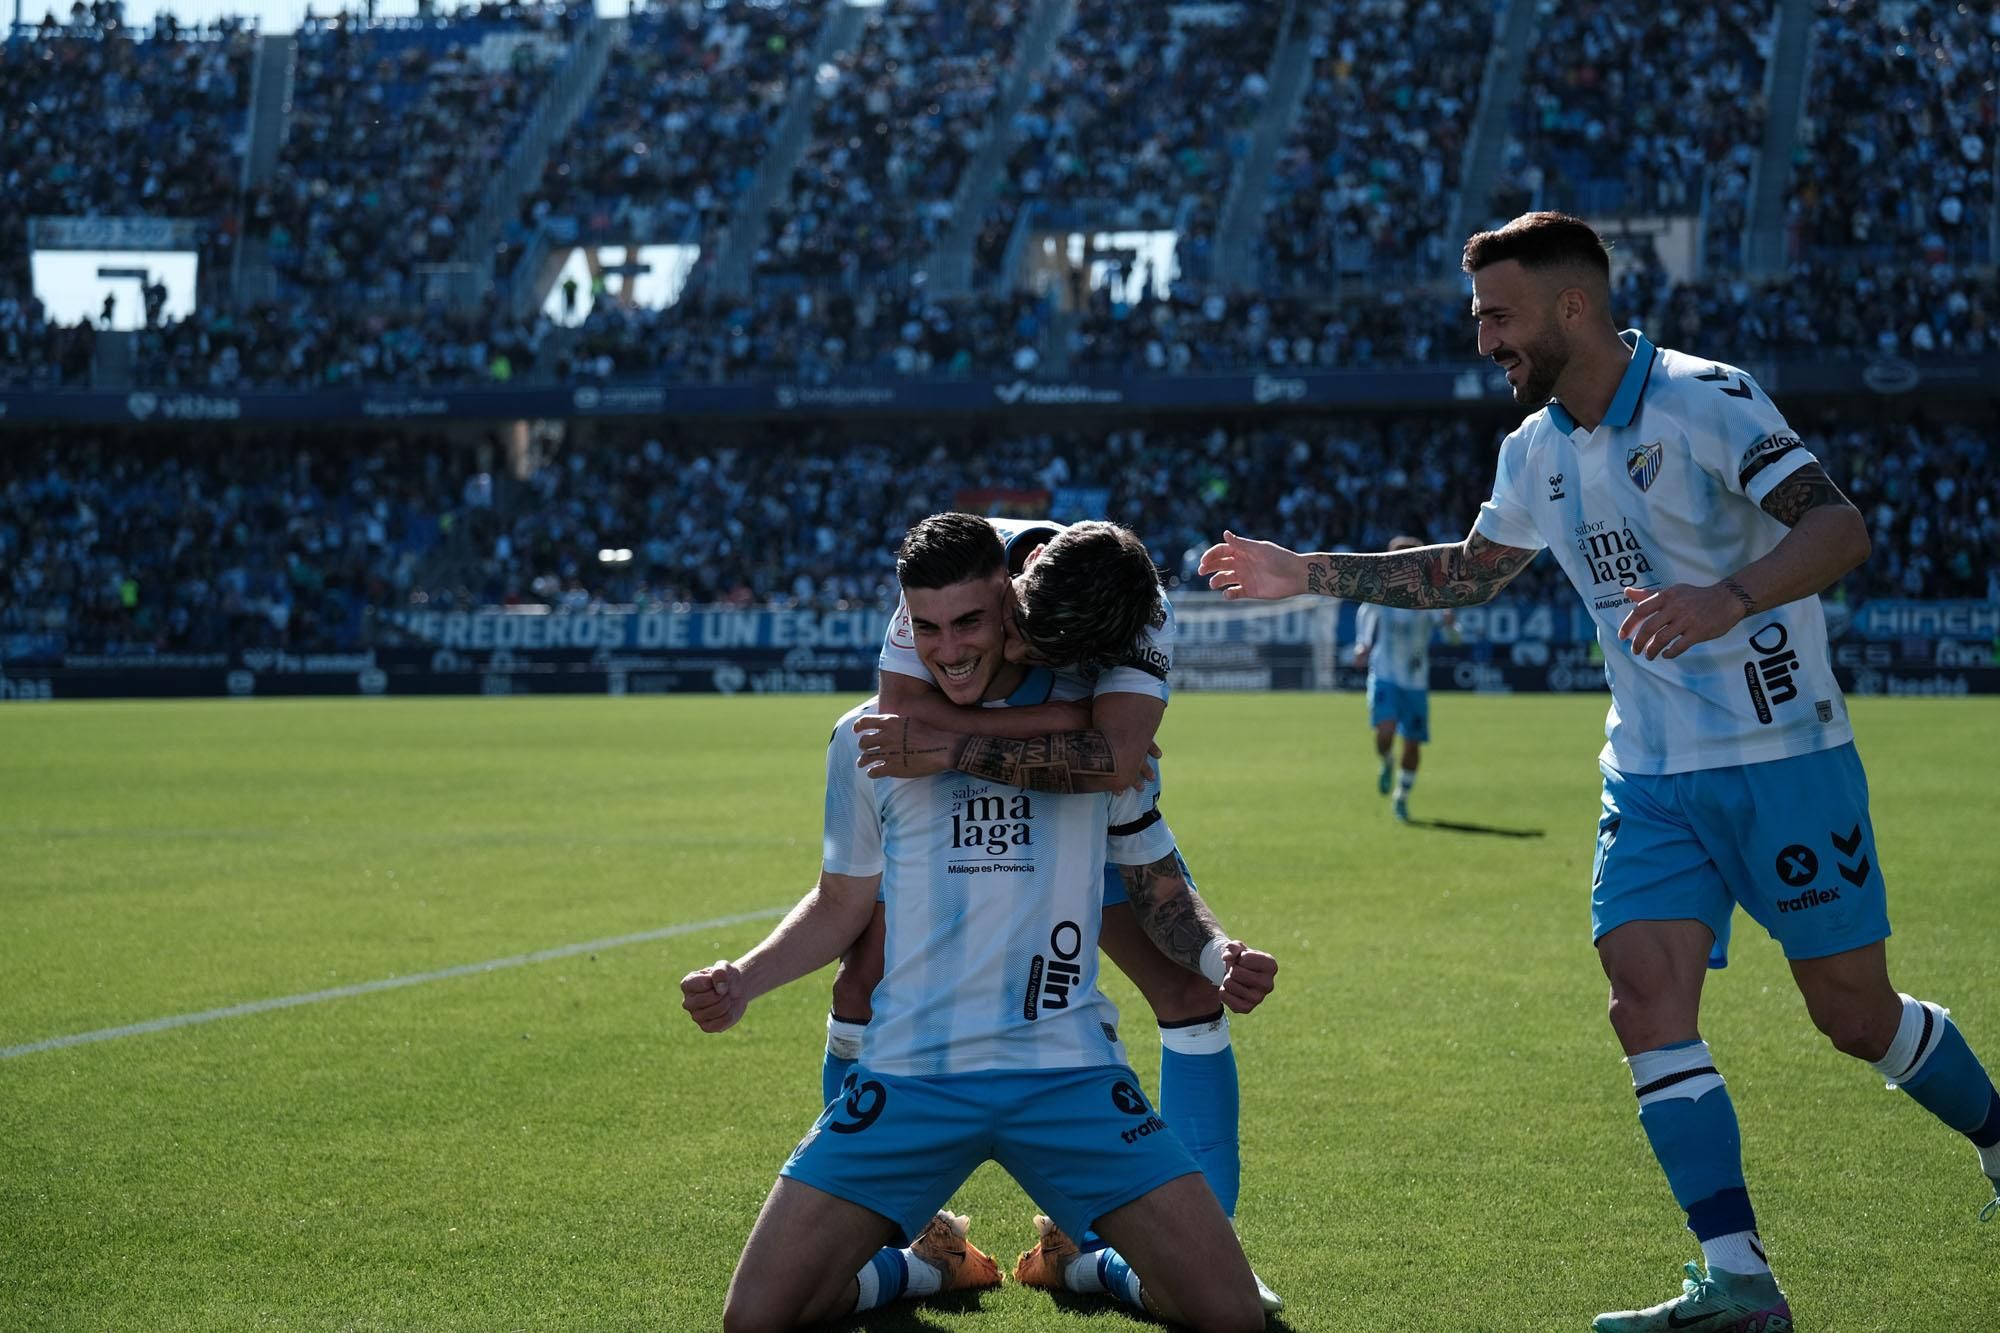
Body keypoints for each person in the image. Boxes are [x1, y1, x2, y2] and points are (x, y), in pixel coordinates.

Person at [1198, 211, 2000, 1332]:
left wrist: (1724, 597)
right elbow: (1471, 573)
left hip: (1783, 759)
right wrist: (1306, 572)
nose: (1483, 338)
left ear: (1572, 306)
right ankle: (1738, 1282)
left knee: (1852, 1016)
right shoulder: (1531, 450)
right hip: (1650, 781)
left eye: (1497, 313)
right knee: (1643, 1002)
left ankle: (1997, 1137)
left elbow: (1837, 528)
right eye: (1478, 315)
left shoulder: (1703, 398)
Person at [682, 513, 1275, 1332]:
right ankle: (921, 1266)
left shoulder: (1098, 735)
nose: (950, 647)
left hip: (1066, 1069)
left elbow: (1151, 870)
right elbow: (840, 904)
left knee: (1233, 1314)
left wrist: (1215, 953)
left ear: (1007, 604)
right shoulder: (867, 740)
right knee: (753, 1319)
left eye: (969, 624)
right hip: (911, 1075)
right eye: (928, 627)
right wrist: (742, 977)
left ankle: (1092, 1262)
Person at [842, 516, 1283, 1310]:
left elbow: (1116, 761)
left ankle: (1191, 1252)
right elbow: (898, 714)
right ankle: (905, 1244)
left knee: (1188, 992)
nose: (1010, 655)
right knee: (860, 976)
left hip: (1089, 804)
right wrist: (1061, 723)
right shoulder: (953, 580)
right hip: (969, 801)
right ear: (1017, 579)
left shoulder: (1141, 612)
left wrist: (953, 740)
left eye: (1044, 659)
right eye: (1014, 631)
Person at [1351, 536, 1455, 821]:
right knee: (1385, 731)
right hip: (1384, 673)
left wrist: (1449, 625)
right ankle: (1386, 761)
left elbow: (1449, 632)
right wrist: (1363, 643)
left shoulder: (1430, 595)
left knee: (1412, 744)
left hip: (1415, 681)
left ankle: (1402, 796)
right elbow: (1366, 612)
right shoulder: (1382, 592)